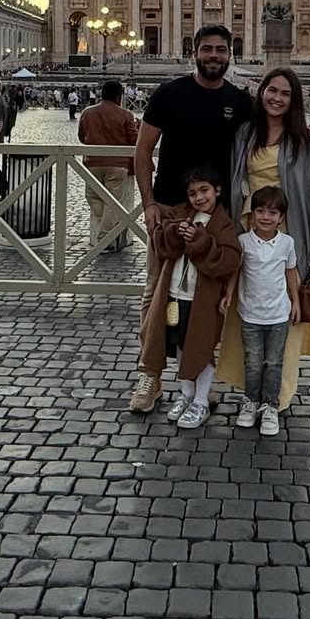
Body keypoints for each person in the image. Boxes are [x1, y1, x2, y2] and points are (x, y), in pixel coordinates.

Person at [216, 67, 310, 414]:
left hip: (288, 231)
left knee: (286, 314)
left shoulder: (303, 141)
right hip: (249, 231)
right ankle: (251, 388)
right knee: (247, 310)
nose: (277, 98)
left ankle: (278, 395)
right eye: (272, 90)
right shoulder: (245, 134)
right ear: (262, 92)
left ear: (293, 100)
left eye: (285, 94)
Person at [134, 25, 254, 339]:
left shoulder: (240, 102)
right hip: (169, 206)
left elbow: (269, 137)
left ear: (230, 54)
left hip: (218, 214)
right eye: (207, 49)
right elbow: (143, 150)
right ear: (194, 52)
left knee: (210, 289)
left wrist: (305, 136)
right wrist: (148, 204)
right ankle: (151, 371)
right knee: (157, 288)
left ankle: (199, 369)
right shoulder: (169, 93)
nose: (214, 56)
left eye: (220, 50)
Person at [130, 167, 240, 427]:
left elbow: (230, 259)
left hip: (202, 300)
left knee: (200, 348)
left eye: (204, 191)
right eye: (193, 193)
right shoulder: (182, 213)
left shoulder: (223, 222)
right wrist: (173, 234)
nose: (199, 197)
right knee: (181, 346)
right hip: (175, 296)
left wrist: (201, 242)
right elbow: (161, 244)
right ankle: (186, 394)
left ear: (217, 191)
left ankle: (201, 400)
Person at [220, 186, 300, 437]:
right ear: (252, 214)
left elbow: (290, 273)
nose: (266, 217)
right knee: (253, 363)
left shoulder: (287, 243)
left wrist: (295, 302)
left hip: (278, 315)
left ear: (281, 218)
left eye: (272, 213)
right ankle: (250, 401)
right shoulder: (243, 242)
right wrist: (229, 294)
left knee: (274, 363)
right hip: (250, 314)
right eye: (261, 211)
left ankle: (270, 406)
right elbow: (236, 270)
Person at [78, 80, 140, 252]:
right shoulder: (126, 115)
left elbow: (82, 137)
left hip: (93, 162)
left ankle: (106, 234)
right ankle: (105, 239)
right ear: (119, 97)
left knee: (92, 197)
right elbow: (134, 140)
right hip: (117, 165)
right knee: (112, 202)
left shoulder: (87, 112)